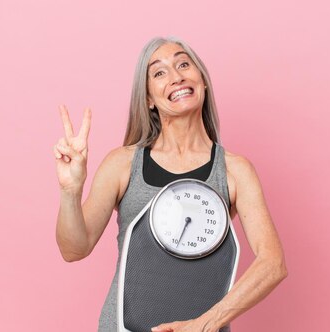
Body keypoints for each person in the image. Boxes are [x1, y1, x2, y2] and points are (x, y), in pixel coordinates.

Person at [54, 36, 288, 332]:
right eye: (159, 73)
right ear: (149, 99)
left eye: (183, 64)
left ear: (202, 80)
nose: (176, 77)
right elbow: (74, 249)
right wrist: (70, 192)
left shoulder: (234, 171)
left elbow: (273, 263)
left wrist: (204, 325)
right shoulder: (123, 164)